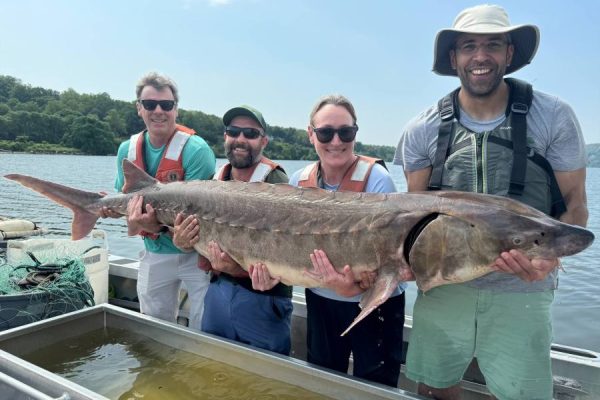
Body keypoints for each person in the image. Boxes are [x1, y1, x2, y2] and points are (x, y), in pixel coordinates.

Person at [395, 5, 588, 400]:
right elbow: (409, 219)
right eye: (468, 46)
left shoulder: (554, 116)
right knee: (433, 386)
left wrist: (549, 260)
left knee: (524, 393)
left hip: (523, 287)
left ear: (509, 53)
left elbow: (576, 206)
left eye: (492, 45)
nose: (480, 56)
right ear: (454, 58)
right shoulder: (422, 128)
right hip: (444, 287)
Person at [287, 94, 406, 387]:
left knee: (375, 385)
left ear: (355, 133)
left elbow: (393, 258)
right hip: (321, 301)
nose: (336, 141)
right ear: (311, 134)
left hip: (376, 304)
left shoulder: (378, 180)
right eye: (326, 132)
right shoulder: (296, 182)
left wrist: (349, 288)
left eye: (346, 132)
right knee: (324, 383)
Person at [172, 105, 294, 355]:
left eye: (250, 133)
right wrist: (182, 241)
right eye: (233, 131)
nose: (241, 139)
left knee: (265, 380)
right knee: (213, 365)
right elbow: (192, 237)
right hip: (217, 291)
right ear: (225, 137)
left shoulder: (277, 183)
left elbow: (287, 253)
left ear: (264, 141)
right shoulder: (213, 181)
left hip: (263, 300)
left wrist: (236, 270)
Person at [105, 72, 216, 329]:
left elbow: (198, 217)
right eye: (150, 104)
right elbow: (127, 208)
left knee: (205, 325)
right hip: (154, 253)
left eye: (166, 105)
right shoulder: (127, 150)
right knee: (153, 329)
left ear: (176, 109)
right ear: (139, 109)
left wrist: (148, 225)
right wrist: (114, 211)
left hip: (197, 254)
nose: (158, 111)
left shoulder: (197, 150)